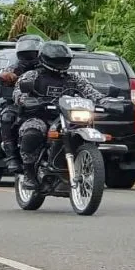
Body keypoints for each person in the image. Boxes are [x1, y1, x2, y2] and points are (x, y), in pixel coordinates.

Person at [12, 41, 109, 189]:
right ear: (45, 59)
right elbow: (18, 91)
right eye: (57, 60)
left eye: (64, 60)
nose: (61, 63)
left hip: (67, 117)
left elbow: (90, 91)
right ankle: (29, 173)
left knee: (86, 126)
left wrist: (105, 101)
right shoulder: (32, 75)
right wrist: (25, 99)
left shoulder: (73, 78)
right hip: (39, 116)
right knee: (32, 133)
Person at [0, 34, 44, 173]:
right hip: (20, 105)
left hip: (47, 103)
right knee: (7, 116)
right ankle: (12, 156)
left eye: (32, 53)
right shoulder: (12, 69)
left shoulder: (49, 67)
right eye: (25, 54)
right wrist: (0, 80)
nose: (29, 56)